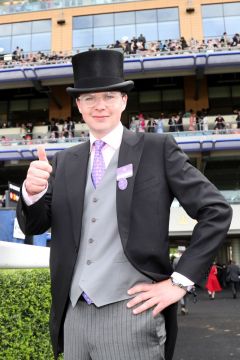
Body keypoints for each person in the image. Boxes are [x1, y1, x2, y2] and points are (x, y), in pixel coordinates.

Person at [16, 49, 232, 360]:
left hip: (131, 314)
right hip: (73, 316)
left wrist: (179, 282)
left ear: (124, 101)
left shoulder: (158, 150)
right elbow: (34, 224)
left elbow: (217, 211)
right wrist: (31, 192)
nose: (99, 105)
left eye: (108, 96)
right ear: (78, 105)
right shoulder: (64, 161)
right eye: (89, 98)